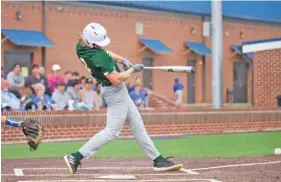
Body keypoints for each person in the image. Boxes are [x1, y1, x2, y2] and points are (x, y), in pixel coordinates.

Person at [63, 22, 183, 174]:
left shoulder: (81, 46)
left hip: (115, 91)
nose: (100, 45)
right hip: (115, 92)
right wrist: (132, 70)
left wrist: (123, 60)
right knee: (112, 131)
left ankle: (158, 160)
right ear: (91, 42)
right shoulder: (98, 57)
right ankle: (76, 156)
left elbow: (106, 52)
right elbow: (116, 79)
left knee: (137, 123)